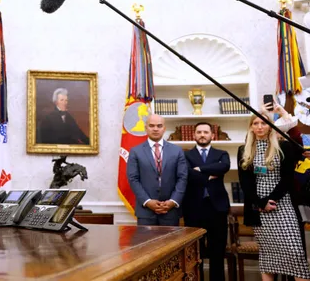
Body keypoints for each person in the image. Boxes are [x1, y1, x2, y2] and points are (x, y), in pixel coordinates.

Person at [237, 105, 310, 281]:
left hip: (282, 204)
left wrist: (272, 199)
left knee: (295, 253)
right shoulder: (244, 149)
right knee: (268, 256)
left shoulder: (283, 146)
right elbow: (245, 182)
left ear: (271, 126)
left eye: (263, 123)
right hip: (258, 208)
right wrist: (260, 203)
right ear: (251, 127)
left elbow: (286, 178)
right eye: (255, 123)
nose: (259, 127)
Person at [183, 122, 230, 281]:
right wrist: (210, 173)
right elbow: (188, 174)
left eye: (205, 132)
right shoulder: (185, 155)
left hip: (217, 208)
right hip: (194, 209)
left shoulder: (222, 153)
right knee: (195, 254)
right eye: (199, 132)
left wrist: (200, 170)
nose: (202, 135)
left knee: (217, 252)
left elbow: (224, 167)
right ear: (194, 135)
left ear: (212, 135)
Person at [127, 114, 188, 226]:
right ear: (146, 128)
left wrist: (173, 202)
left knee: (171, 244)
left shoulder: (177, 151)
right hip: (145, 211)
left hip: (170, 211)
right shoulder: (135, 151)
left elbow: (182, 178)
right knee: (147, 243)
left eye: (159, 126)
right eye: (151, 126)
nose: (155, 129)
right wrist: (147, 201)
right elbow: (133, 179)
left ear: (164, 128)